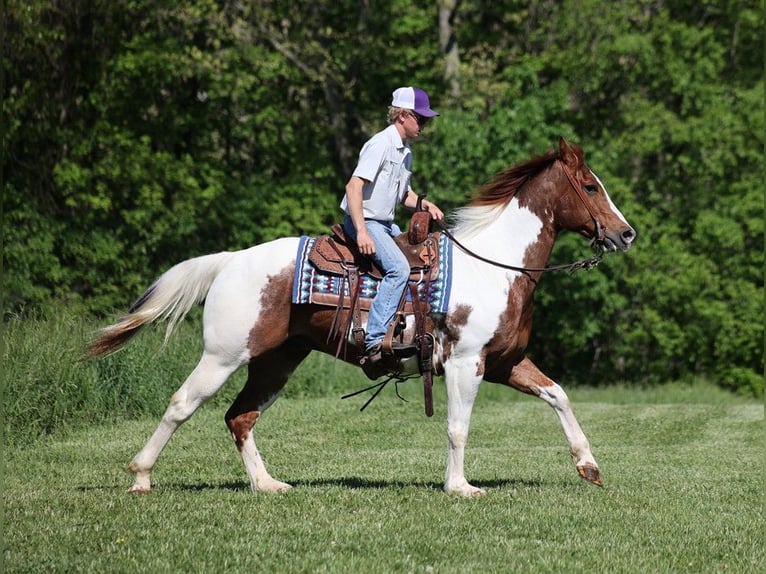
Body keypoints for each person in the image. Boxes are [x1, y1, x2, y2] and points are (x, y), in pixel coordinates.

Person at [340, 86, 444, 366]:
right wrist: (361, 231)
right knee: (399, 269)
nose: (424, 125)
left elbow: (404, 195)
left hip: (386, 224)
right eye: (420, 119)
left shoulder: (405, 151)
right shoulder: (381, 144)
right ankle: (373, 341)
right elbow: (353, 187)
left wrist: (424, 203)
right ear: (402, 116)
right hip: (365, 221)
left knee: (422, 255)